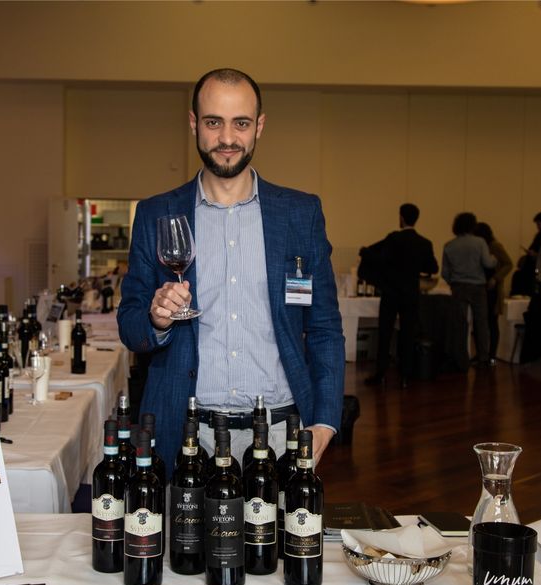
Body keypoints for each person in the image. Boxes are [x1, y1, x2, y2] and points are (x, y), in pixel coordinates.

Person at [117, 68, 345, 470]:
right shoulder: (156, 213)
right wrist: (156, 319)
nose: (226, 138)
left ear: (259, 126)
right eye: (213, 123)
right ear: (194, 124)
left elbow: (324, 327)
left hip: (280, 433)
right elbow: (130, 325)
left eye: (240, 123)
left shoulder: (300, 213)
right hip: (185, 433)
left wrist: (326, 421)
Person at [363, 203, 438, 388]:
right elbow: (433, 267)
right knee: (408, 333)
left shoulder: (393, 239)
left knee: (385, 333)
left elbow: (378, 257)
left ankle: (381, 373)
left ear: (401, 217)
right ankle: (405, 376)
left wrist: (365, 253)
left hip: (391, 292)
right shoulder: (424, 243)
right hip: (411, 293)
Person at [441, 212, 497, 367]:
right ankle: (483, 357)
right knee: (481, 323)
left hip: (458, 286)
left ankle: (460, 356)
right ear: (473, 225)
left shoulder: (449, 245)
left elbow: (444, 272)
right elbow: (487, 263)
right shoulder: (479, 242)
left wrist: (453, 281)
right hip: (478, 287)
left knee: (460, 323)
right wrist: (494, 259)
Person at [474, 222, 513, 363]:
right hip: (482, 287)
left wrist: (496, 278)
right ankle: (482, 354)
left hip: (492, 289)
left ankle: (492, 355)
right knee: (480, 323)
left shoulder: (495, 246)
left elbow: (508, 263)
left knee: (491, 322)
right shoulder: (480, 246)